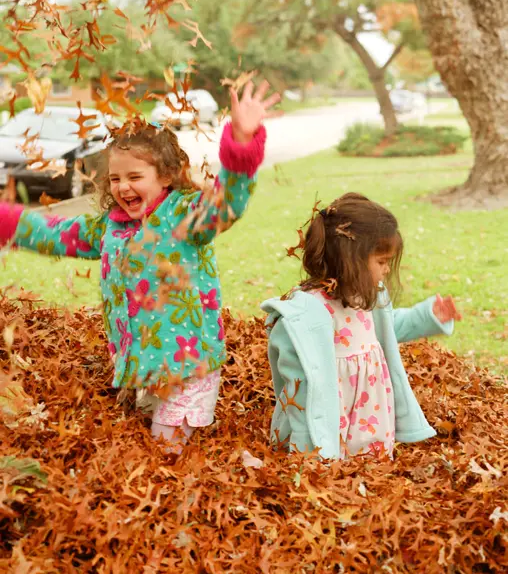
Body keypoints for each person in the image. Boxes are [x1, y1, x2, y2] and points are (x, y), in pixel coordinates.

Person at [0, 80, 280, 452]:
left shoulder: (184, 216)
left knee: (165, 453)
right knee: (140, 449)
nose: (123, 187)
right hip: (139, 365)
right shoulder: (109, 227)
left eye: (135, 177)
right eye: (115, 178)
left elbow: (226, 205)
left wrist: (241, 145)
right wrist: (7, 221)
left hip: (186, 367)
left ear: (165, 176)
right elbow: (56, 232)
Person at [261, 193, 461, 460]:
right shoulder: (306, 313)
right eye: (381, 262)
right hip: (328, 420)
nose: (387, 270)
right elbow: (297, 388)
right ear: (349, 260)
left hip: (369, 414)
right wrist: (304, 451)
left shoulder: (369, 296)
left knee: (367, 475)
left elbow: (389, 329)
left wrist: (428, 316)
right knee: (330, 473)